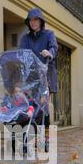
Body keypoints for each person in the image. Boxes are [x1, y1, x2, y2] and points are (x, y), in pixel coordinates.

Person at [19, 8, 58, 143]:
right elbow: (21, 53)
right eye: (31, 20)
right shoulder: (25, 38)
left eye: (36, 20)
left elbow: (54, 47)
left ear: (41, 21)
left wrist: (49, 52)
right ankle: (28, 136)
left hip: (45, 76)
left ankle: (45, 138)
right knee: (28, 107)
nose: (33, 22)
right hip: (30, 78)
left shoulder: (49, 34)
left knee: (43, 107)